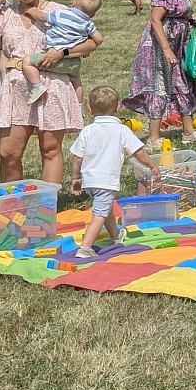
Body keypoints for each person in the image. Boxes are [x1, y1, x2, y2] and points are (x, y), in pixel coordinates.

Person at [0, 0, 102, 184]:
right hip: (16, 87)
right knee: (8, 153)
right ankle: (12, 202)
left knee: (50, 149)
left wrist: (62, 53)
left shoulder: (58, 11)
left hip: (52, 84)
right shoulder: (7, 14)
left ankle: (47, 205)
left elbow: (92, 43)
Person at [122, 0, 196, 147]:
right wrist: (166, 50)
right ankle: (153, 138)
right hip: (161, 44)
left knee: (183, 83)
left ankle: (189, 132)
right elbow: (155, 19)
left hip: (179, 42)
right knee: (160, 85)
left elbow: (181, 14)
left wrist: (195, 22)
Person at [70, 85, 159, 259]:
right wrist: (151, 164)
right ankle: (85, 248)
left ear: (89, 108)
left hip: (90, 181)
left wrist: (76, 177)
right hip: (105, 180)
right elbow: (138, 151)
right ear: (118, 108)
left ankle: (115, 235)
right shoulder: (121, 130)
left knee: (106, 207)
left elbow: (77, 157)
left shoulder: (87, 131)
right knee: (99, 215)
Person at [21, 0, 104, 104]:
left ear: (74, 2)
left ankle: (37, 86)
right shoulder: (88, 23)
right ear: (93, 14)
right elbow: (99, 39)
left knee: (27, 61)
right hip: (75, 62)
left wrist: (31, 10)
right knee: (76, 80)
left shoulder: (62, 14)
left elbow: (41, 17)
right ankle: (79, 105)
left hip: (55, 59)